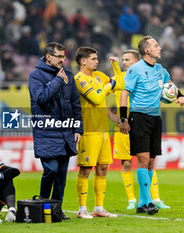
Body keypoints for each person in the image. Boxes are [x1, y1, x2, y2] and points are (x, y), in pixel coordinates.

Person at [119, 35, 184, 215]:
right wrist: (124, 119)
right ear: (147, 50)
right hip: (138, 117)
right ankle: (148, 201)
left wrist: (179, 95)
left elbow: (170, 85)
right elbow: (124, 94)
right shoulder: (135, 70)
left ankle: (143, 203)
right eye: (156, 45)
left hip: (155, 118)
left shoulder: (161, 70)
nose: (160, 48)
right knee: (142, 159)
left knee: (150, 161)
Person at [108, 50, 171, 210]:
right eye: (123, 59)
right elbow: (98, 97)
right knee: (127, 163)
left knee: (148, 160)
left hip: (142, 123)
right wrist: (112, 115)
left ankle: (154, 198)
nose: (124, 62)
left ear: (137, 61)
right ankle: (132, 200)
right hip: (123, 127)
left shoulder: (145, 75)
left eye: (127, 59)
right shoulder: (116, 79)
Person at [28, 42, 83, 220]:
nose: (62, 60)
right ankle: (42, 205)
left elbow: (76, 104)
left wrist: (78, 128)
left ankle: (56, 211)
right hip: (46, 131)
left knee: (61, 177)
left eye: (63, 57)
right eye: (59, 57)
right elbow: (42, 99)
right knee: (50, 169)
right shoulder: (36, 76)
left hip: (66, 132)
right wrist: (58, 80)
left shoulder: (69, 75)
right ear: (48, 57)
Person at [74, 47, 119, 219]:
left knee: (103, 168)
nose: (97, 61)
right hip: (89, 130)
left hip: (103, 130)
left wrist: (116, 68)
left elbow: (119, 83)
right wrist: (109, 86)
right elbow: (96, 98)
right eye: (93, 59)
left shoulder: (99, 76)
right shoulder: (80, 79)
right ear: (83, 61)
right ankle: (81, 209)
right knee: (85, 169)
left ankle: (99, 208)